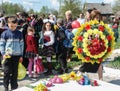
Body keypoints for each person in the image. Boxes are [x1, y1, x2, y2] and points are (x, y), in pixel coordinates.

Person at [0, 16, 24, 91]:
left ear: (17, 24)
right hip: (7, 56)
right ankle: (6, 87)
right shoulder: (5, 33)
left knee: (15, 72)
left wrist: (21, 55)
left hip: (17, 56)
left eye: (14, 26)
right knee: (7, 72)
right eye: (11, 26)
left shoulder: (19, 33)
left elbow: (22, 45)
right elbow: (1, 44)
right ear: (8, 24)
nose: (13, 27)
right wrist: (3, 54)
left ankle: (14, 87)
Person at [79, 9, 103, 80]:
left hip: (98, 48)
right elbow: (85, 35)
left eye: (98, 17)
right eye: (95, 17)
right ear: (92, 17)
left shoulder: (101, 26)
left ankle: (101, 79)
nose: (97, 19)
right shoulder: (88, 25)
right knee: (85, 64)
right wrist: (89, 39)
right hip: (89, 48)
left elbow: (104, 35)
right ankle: (78, 77)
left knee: (99, 63)